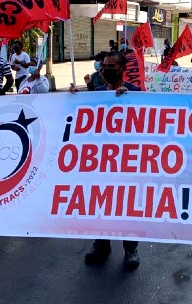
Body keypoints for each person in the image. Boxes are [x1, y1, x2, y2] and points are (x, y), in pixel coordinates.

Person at [71, 51, 141, 270]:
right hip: (100, 161)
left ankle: (130, 248)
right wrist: (74, 97)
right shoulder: (98, 93)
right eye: (103, 66)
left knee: (126, 205)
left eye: (110, 66)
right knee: (100, 203)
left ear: (121, 69)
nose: (104, 69)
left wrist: (128, 99)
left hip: (126, 160)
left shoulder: (136, 93)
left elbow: (144, 125)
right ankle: (101, 244)